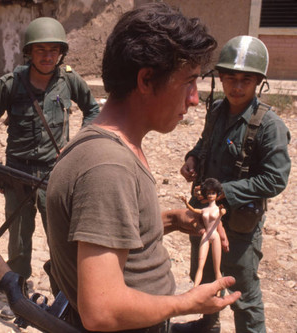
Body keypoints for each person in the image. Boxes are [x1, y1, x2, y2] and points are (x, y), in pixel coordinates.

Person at [46, 3, 241, 332]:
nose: (194, 99)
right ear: (147, 80)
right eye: (188, 82)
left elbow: (114, 234)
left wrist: (173, 219)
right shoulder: (108, 167)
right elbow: (102, 310)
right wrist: (187, 302)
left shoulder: (111, 145)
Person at [175, 36, 291, 333]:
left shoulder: (269, 125)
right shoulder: (216, 111)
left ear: (258, 83)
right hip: (204, 214)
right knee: (203, 277)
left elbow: (276, 178)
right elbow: (205, 144)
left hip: (239, 223)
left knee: (243, 293)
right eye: (230, 78)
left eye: (245, 80)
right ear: (221, 78)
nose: (236, 87)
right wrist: (192, 158)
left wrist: (228, 190)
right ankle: (208, 325)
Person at [0, 17, 99, 287]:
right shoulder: (10, 84)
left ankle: (64, 290)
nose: (47, 56)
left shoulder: (68, 80)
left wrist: (76, 143)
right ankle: (17, 288)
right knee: (18, 234)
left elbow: (93, 110)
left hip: (56, 173)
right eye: (41, 50)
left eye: (53, 50)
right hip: (18, 172)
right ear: (29, 52)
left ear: (61, 52)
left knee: (60, 235)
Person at [179, 178, 228, 288]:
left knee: (217, 267)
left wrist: (221, 210)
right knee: (200, 264)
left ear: (217, 194)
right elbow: (193, 210)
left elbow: (222, 213)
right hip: (206, 236)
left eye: (213, 193)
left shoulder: (218, 209)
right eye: (209, 193)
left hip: (215, 236)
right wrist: (186, 202)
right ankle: (195, 287)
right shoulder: (204, 210)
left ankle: (219, 289)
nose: (210, 195)